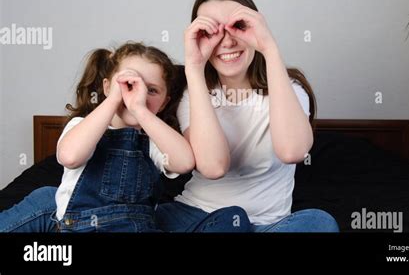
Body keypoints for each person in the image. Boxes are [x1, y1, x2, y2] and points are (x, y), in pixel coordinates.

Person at [0, 42, 250, 232]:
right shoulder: (83, 126)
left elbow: (184, 162)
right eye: (129, 84)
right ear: (107, 87)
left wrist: (142, 111)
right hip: (83, 227)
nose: (138, 94)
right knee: (44, 197)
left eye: (151, 90)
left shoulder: (152, 140)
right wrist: (114, 101)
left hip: (139, 228)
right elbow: (70, 156)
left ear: (164, 103)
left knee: (232, 216)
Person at [154, 0, 339, 232]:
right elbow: (213, 166)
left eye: (238, 26)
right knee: (230, 221)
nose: (227, 42)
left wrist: (269, 47)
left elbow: (293, 151)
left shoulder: (289, 89)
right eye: (212, 32)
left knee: (320, 223)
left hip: (267, 226)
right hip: (198, 218)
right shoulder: (194, 94)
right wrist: (194, 67)